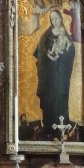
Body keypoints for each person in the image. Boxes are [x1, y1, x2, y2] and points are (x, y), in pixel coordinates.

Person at [34, 9, 75, 137]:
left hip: (61, 76)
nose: (54, 21)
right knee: (49, 99)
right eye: (52, 19)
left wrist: (62, 56)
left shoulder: (65, 34)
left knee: (60, 97)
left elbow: (71, 50)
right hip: (49, 76)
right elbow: (40, 50)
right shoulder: (47, 34)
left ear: (61, 18)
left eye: (56, 18)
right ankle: (48, 128)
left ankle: (62, 129)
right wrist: (47, 55)